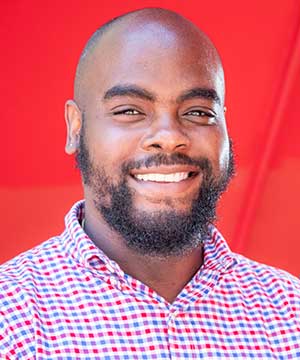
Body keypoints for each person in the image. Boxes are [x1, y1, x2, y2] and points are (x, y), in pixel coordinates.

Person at [0, 7, 299, 359]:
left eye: (198, 112)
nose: (170, 137)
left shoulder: (290, 314)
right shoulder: (12, 317)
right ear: (75, 128)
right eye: (130, 111)